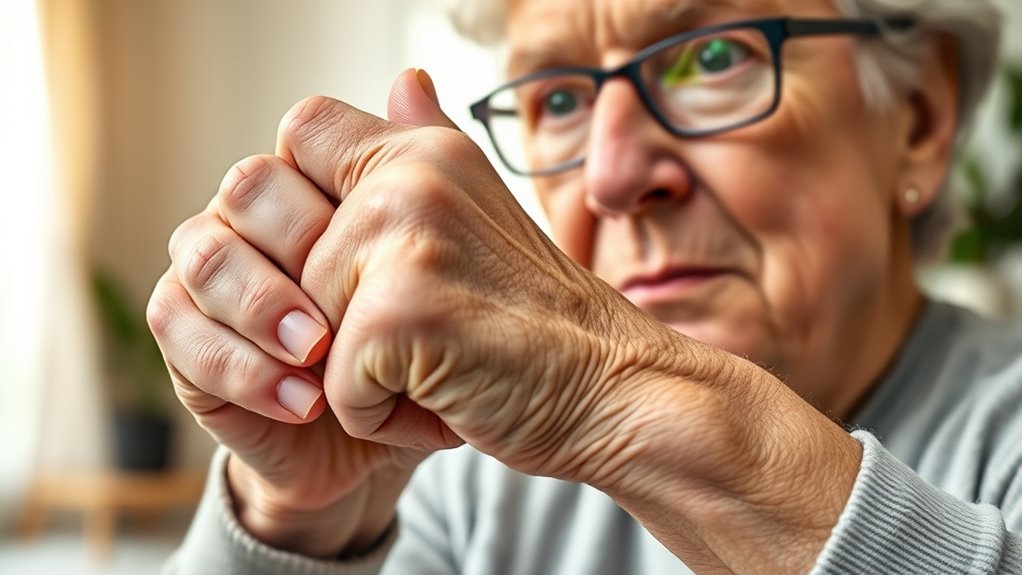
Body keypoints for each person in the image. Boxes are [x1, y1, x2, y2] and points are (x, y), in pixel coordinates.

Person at [149, 0, 1021, 572]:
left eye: (710, 56)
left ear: (920, 117)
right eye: (559, 100)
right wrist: (293, 523)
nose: (607, 175)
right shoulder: (468, 477)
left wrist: (610, 396)